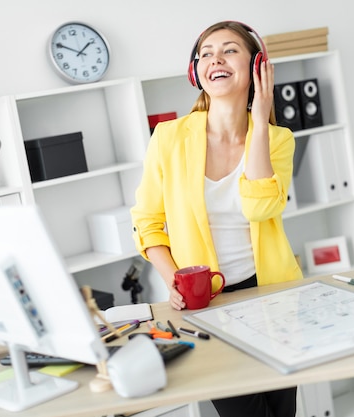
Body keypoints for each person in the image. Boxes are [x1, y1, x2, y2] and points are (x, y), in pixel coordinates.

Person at [131, 20, 302, 417]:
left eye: (229, 50)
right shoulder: (169, 138)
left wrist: (259, 123)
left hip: (273, 297)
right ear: (196, 72)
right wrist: (173, 277)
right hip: (207, 305)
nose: (215, 59)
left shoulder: (278, 139)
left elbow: (261, 208)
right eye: (206, 53)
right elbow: (147, 221)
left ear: (257, 66)